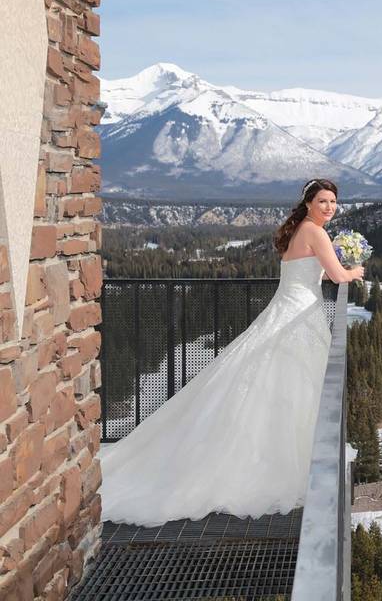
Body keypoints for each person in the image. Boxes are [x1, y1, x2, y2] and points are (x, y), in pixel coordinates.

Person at [99, 178, 365, 526]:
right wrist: (355, 268)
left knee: (282, 381)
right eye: (323, 201)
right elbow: (337, 276)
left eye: (333, 201)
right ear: (308, 204)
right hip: (299, 314)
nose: (329, 207)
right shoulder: (315, 232)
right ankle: (282, 462)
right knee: (295, 383)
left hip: (290, 309)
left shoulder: (302, 229)